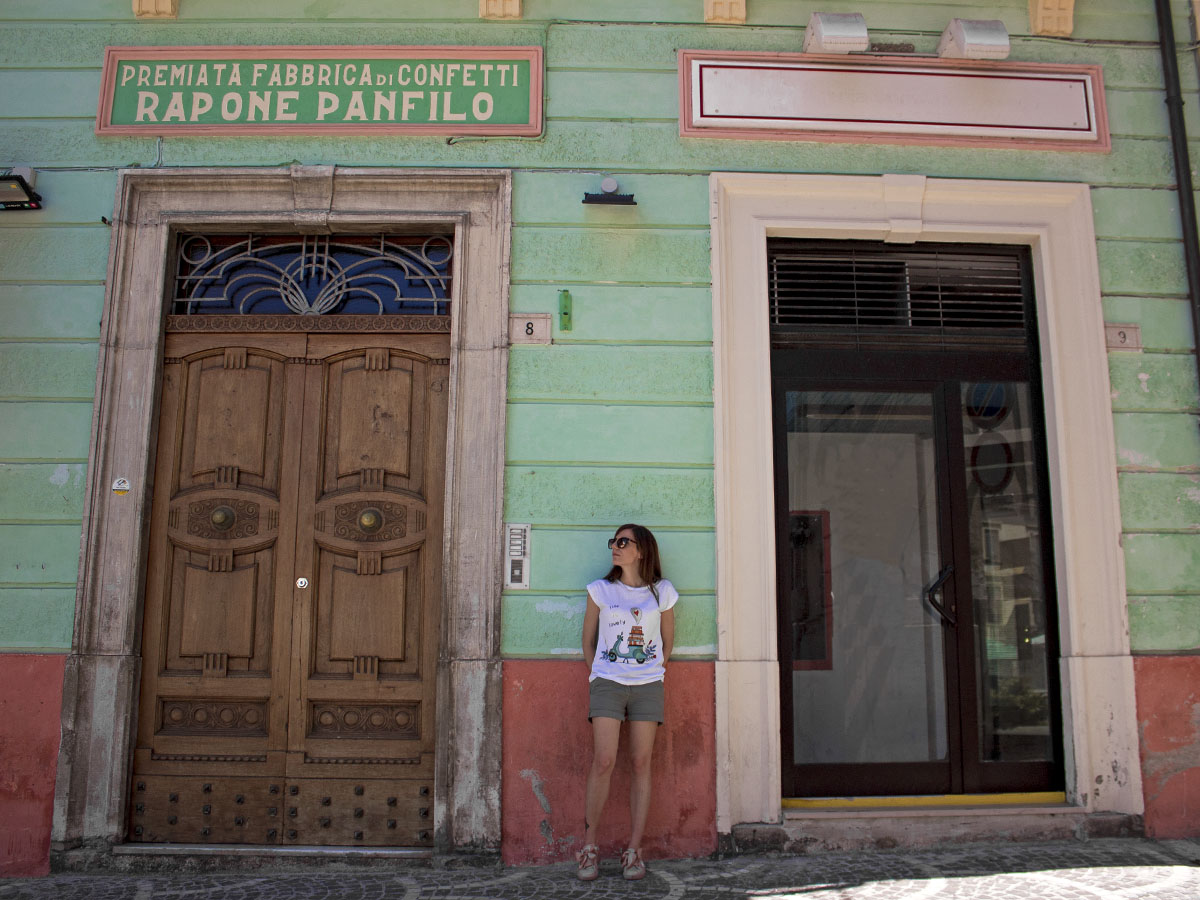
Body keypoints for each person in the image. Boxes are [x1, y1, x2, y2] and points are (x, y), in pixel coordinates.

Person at [576, 523, 678, 882]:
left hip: (648, 685)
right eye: (614, 542)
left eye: (623, 542)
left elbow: (667, 642)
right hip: (607, 685)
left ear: (642, 550)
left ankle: (634, 851)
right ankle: (589, 847)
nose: (615, 548)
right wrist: (598, 673)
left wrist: (653, 670)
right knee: (603, 761)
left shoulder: (661, 593)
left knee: (640, 762)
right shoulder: (601, 591)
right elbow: (587, 641)